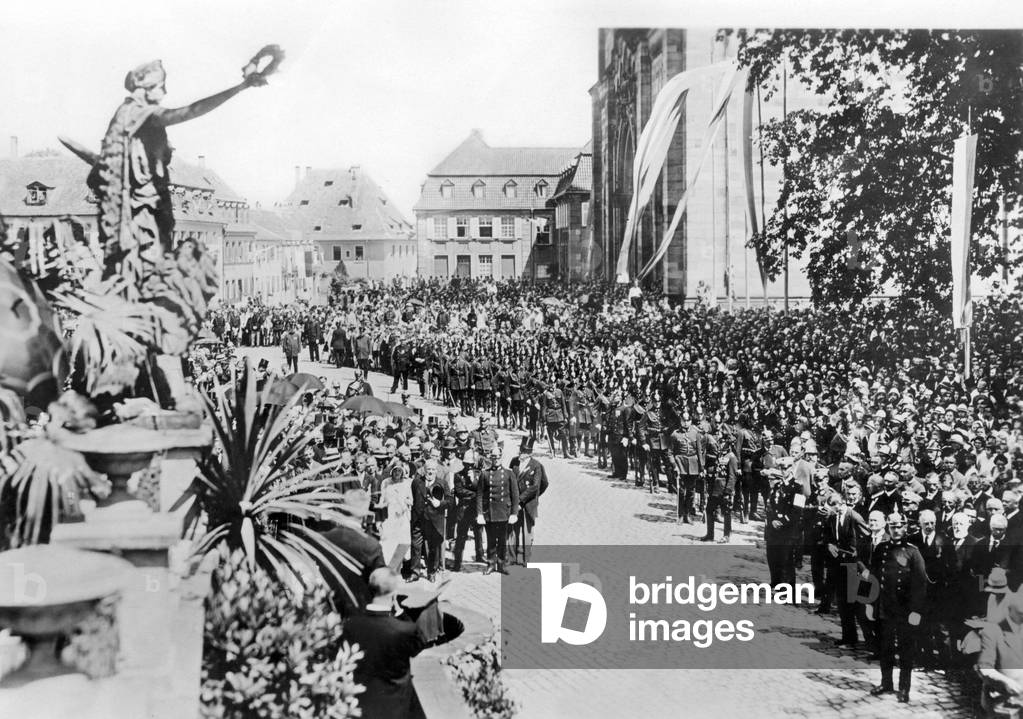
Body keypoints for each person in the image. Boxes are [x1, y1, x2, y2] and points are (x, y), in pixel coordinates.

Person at [342, 567, 427, 719]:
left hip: (360, 707)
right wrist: (400, 612)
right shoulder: (404, 630)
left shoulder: (350, 625)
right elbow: (420, 642)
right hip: (395, 708)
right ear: (394, 594)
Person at [868, 511, 927, 704]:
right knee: (885, 647)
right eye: (892, 526)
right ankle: (886, 683)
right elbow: (873, 579)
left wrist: (916, 611)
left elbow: (920, 585)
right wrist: (870, 604)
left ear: (905, 527)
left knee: (905, 650)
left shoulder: (913, 552)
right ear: (888, 527)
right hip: (885, 607)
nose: (896, 530)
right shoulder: (881, 549)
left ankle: (904, 688)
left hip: (905, 610)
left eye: (899, 526)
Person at [319, 488, 386, 616]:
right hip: (360, 610)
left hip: (330, 610)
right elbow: (380, 583)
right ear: (365, 512)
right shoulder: (371, 545)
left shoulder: (324, 538)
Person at [977, 590, 1023, 717]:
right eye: (1020, 614)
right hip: (1003, 705)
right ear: (1009, 611)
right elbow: (984, 669)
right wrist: (1006, 682)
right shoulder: (993, 631)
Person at [510, 436, 548, 565]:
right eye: (521, 450)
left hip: (528, 504)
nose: (522, 453)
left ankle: (526, 559)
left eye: (526, 451)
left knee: (527, 532)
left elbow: (538, 486)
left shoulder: (536, 466)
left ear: (530, 453)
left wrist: (532, 498)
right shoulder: (514, 462)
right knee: (512, 530)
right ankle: (512, 558)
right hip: (514, 503)